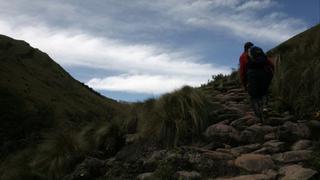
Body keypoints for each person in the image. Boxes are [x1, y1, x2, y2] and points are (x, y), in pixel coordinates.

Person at [239, 42, 274, 123]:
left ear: (245, 48)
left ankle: (259, 116)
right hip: (263, 73)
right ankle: (265, 107)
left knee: (253, 96)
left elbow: (242, 70)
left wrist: (244, 82)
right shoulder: (259, 53)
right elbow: (270, 63)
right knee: (264, 92)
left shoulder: (243, 56)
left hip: (252, 75)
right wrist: (271, 75)